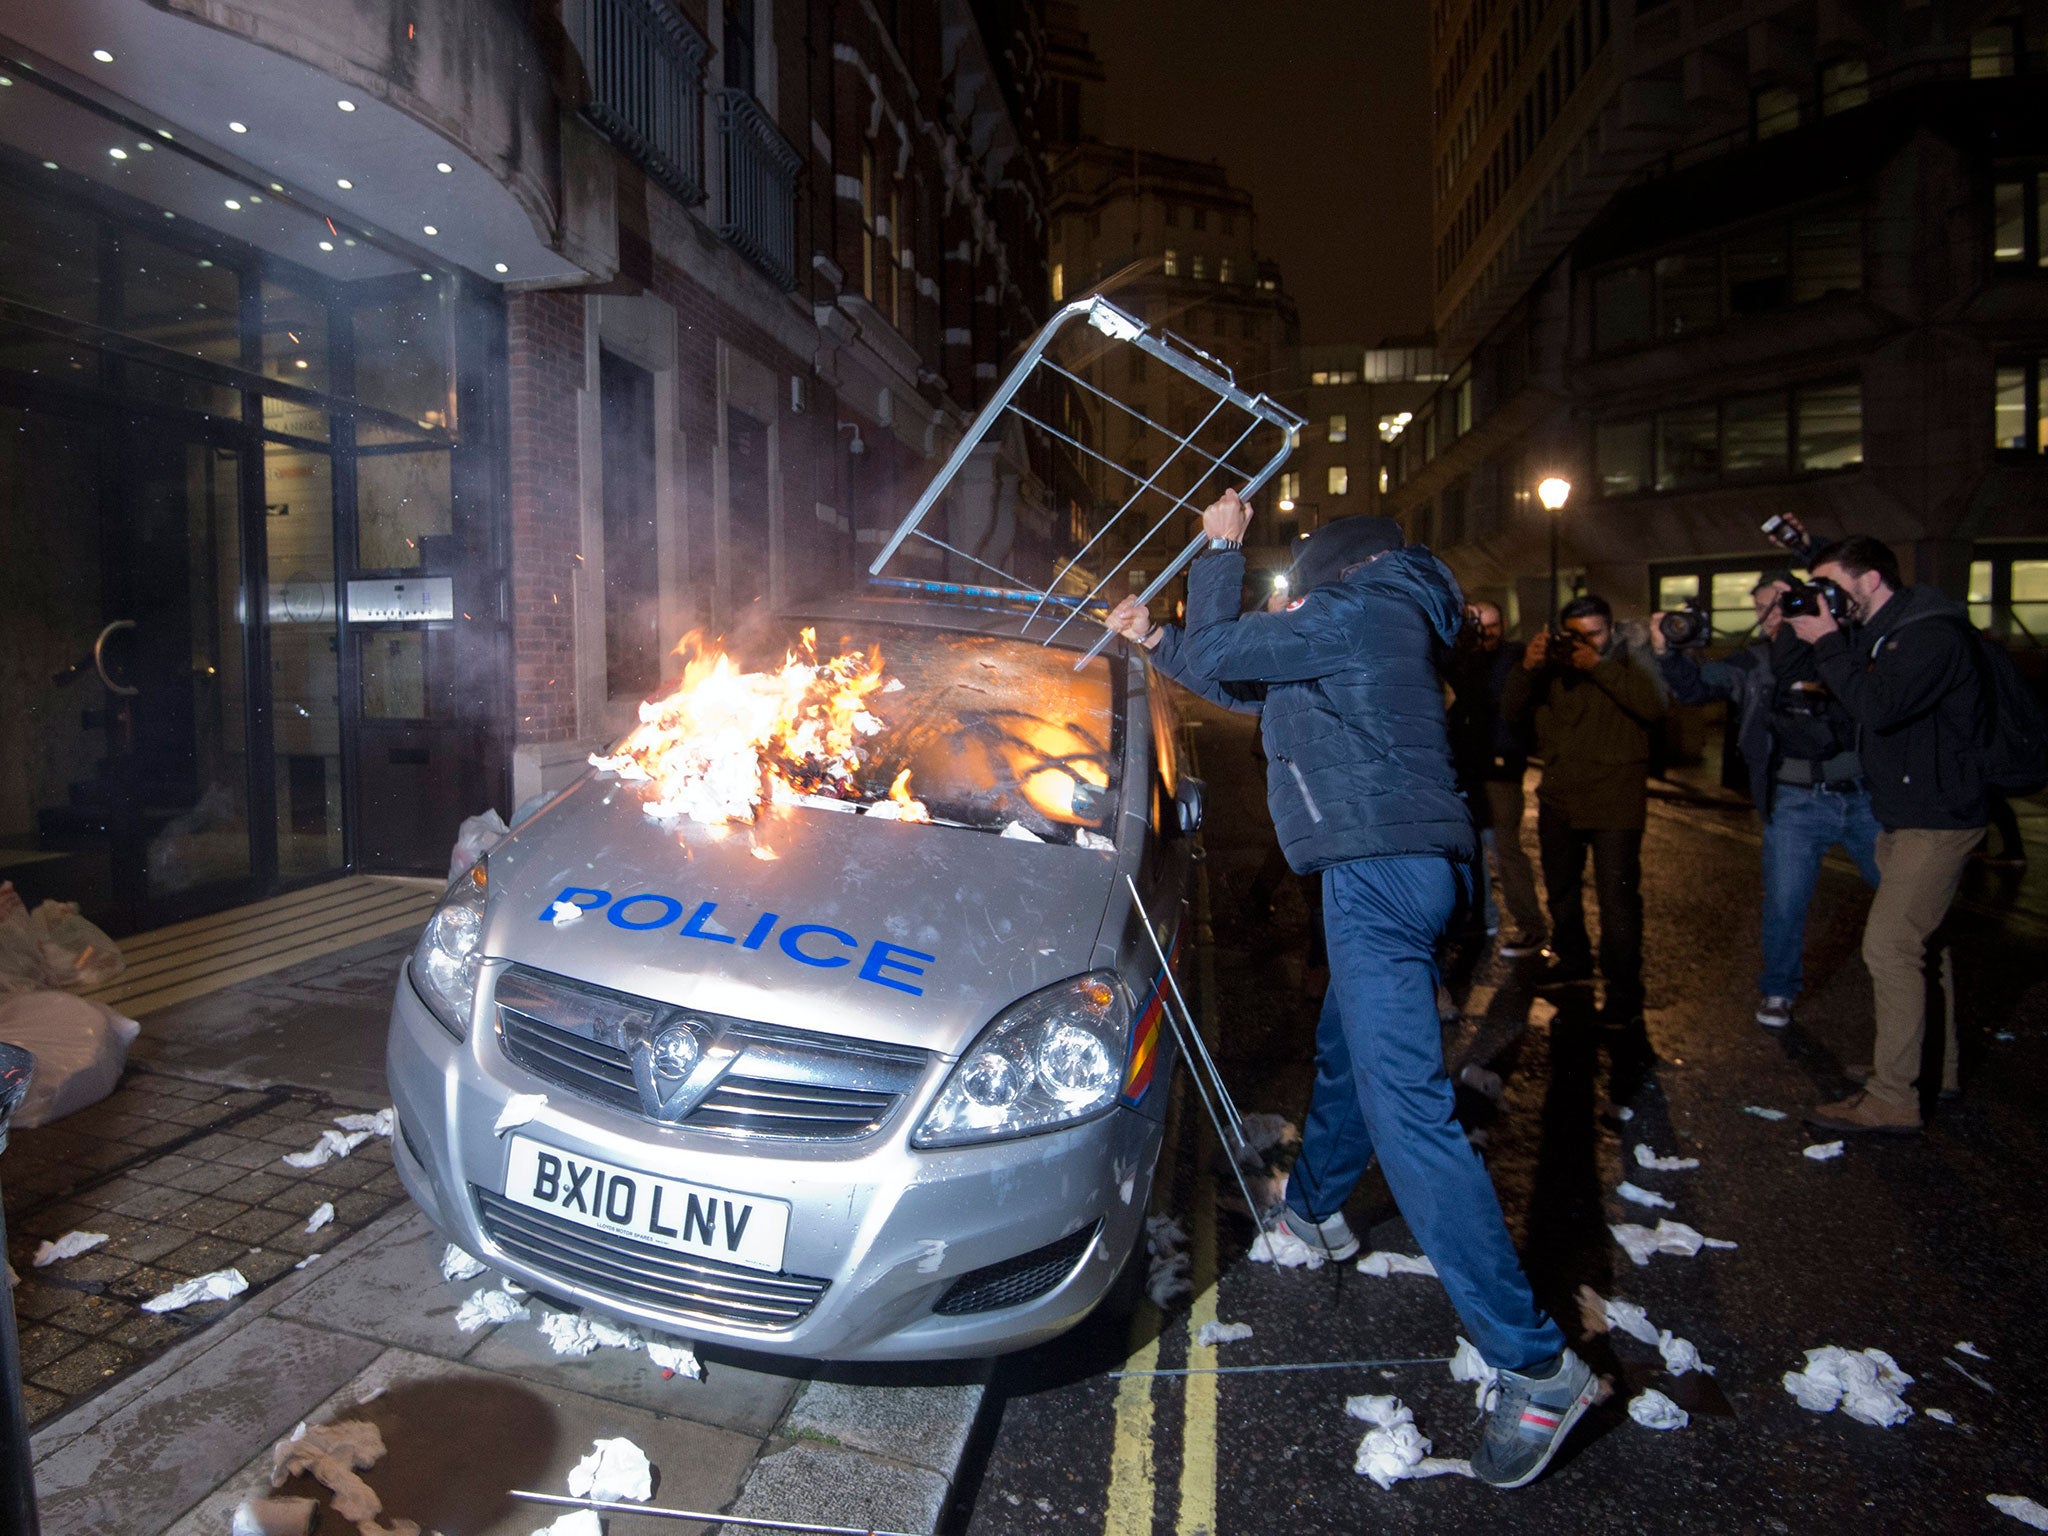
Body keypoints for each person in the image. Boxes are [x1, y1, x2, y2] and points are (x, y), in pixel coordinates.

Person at [1105, 493, 1593, 1490]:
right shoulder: (1381, 620)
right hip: (1396, 866)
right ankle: (1317, 1211)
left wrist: (1218, 549)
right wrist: (1158, 635)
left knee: (1407, 1114)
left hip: (1379, 869)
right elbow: (1252, 686)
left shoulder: (1366, 607)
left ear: (1334, 571)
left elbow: (1228, 653)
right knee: (1345, 1048)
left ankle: (1533, 1363)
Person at [1787, 536, 1985, 1134]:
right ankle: (1931, 1071)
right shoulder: (1886, 629)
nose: (1824, 600)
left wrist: (1826, 644)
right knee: (1927, 948)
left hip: (1938, 817)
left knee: (1890, 947)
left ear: (1871, 580)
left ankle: (1894, 1096)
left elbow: (1881, 707)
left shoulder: (1928, 633)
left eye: (1832, 587)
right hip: (1907, 813)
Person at [1651, 573, 1880, 1030]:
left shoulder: (1846, 649)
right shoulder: (1756, 662)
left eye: (1780, 603)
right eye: (1761, 608)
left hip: (1862, 798)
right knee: (1784, 901)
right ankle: (1778, 989)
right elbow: (1695, 688)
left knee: (1902, 898)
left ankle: (1907, 992)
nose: (1770, 615)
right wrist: (1666, 650)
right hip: (1795, 800)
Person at [1501, 595, 1665, 1027]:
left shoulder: (1632, 660)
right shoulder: (1553, 669)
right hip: (1560, 798)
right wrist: (1529, 667)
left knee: (1618, 901)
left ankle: (1624, 989)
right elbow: (1510, 712)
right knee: (1561, 891)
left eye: (1594, 634)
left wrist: (1598, 665)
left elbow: (1653, 707)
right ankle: (1573, 959)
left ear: (1609, 629)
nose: (1584, 643)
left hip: (1616, 802)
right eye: (1576, 635)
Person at [1445, 602, 1547, 956]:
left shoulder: (1512, 657)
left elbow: (1504, 700)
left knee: (1504, 849)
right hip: (1467, 768)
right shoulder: (1465, 658)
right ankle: (1481, 921)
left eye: (1490, 625)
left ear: (1503, 625)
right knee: (1470, 852)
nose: (1485, 633)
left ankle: (1531, 926)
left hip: (1499, 770)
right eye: (1478, 626)